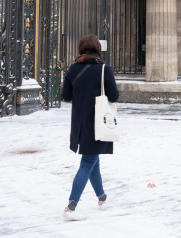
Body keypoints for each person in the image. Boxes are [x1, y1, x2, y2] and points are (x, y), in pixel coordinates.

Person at [60, 34, 119, 221]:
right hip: (98, 122)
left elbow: (66, 96)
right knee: (88, 162)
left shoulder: (73, 69)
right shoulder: (104, 69)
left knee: (93, 160)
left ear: (81, 49)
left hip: (80, 122)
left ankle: (102, 198)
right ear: (97, 49)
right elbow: (114, 96)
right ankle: (71, 206)